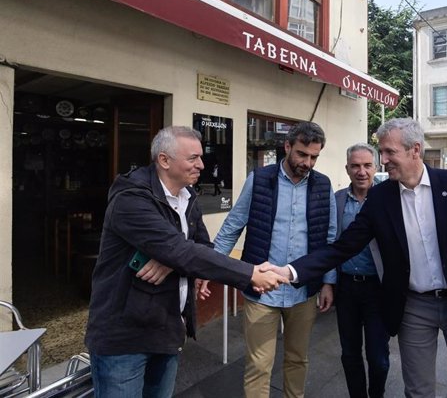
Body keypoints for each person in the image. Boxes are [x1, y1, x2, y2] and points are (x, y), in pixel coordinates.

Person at [271, 118, 447, 398]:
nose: (384, 160)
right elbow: (344, 246)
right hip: (414, 306)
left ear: (415, 150)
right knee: (418, 390)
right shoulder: (381, 197)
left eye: (390, 152)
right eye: (383, 152)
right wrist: (292, 271)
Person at [85, 126, 286, 397]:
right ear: (164, 160)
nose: (202, 165)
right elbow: (181, 250)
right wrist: (250, 273)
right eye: (193, 158)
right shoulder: (131, 199)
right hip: (125, 338)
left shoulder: (187, 196)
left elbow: (197, 246)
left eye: (201, 157)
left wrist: (171, 259)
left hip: (167, 329)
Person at [208, 121, 337, 398]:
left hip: (303, 291)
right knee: (258, 365)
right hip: (262, 290)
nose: (308, 162)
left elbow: (330, 238)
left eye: (314, 156)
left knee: (298, 359)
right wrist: (210, 268)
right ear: (287, 147)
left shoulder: (323, 185)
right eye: (302, 154)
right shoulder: (260, 179)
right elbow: (233, 225)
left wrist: (328, 282)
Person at [335, 143, 389, 398]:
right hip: (346, 288)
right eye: (355, 166)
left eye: (367, 165)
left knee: (379, 357)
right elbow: (330, 244)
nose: (361, 171)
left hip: (377, 289)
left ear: (375, 167)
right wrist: (327, 283)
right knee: (349, 353)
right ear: (347, 169)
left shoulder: (389, 198)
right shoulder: (337, 200)